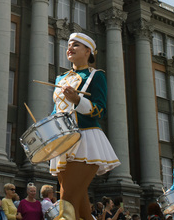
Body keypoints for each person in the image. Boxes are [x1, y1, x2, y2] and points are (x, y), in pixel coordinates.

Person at [49, 33, 120, 220]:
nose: (69, 47)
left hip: (87, 141)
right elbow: (56, 111)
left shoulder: (96, 76)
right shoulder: (60, 79)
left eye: (76, 45)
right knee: (79, 206)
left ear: (88, 51)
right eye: (69, 44)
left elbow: (100, 110)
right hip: (63, 142)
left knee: (67, 199)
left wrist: (77, 100)